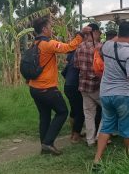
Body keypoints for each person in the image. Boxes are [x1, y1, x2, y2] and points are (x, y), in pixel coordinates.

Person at [28, 16, 91, 155]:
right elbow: (69, 48)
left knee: (44, 116)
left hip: (34, 88)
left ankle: (44, 147)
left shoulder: (34, 44)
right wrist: (80, 34)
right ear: (44, 29)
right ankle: (48, 143)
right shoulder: (48, 44)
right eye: (50, 27)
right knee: (62, 112)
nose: (51, 30)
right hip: (47, 88)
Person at [93, 21, 129, 165]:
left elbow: (115, 40)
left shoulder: (107, 46)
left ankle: (97, 159)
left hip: (105, 94)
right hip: (123, 96)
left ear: (118, 33)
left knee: (106, 126)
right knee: (128, 129)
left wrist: (119, 36)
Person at [74, 23, 103, 147]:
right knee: (107, 110)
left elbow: (76, 65)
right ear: (95, 32)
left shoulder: (79, 47)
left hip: (83, 85)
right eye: (99, 32)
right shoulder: (99, 47)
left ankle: (90, 140)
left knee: (89, 113)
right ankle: (99, 137)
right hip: (96, 85)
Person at [62, 50, 84, 143]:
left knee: (74, 109)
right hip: (76, 85)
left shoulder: (73, 53)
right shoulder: (84, 53)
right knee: (80, 111)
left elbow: (63, 72)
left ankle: (73, 132)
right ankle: (75, 136)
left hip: (68, 85)